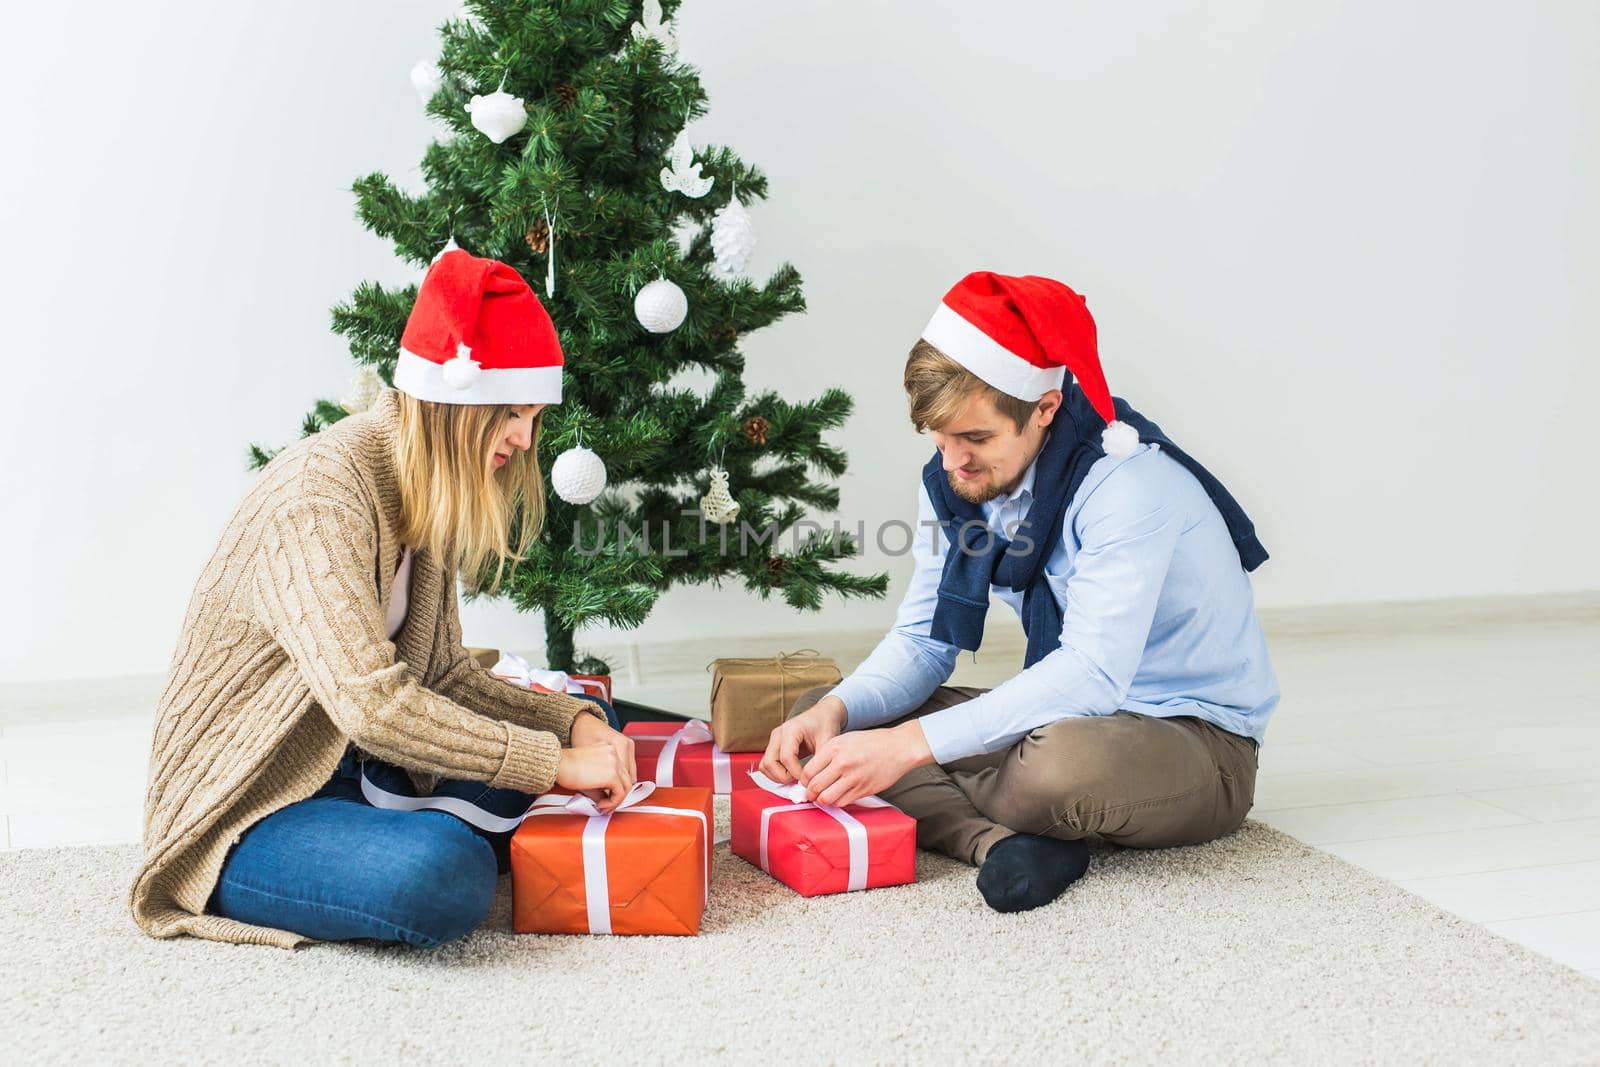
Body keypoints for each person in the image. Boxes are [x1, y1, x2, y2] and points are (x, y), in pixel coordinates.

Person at [130, 250, 636, 949]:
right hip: (251, 803)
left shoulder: (420, 487)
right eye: (512, 414)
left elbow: (446, 676)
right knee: (443, 872)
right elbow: (374, 703)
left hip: (357, 762)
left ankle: (424, 818)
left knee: (594, 723)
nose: (525, 440)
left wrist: (573, 721)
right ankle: (422, 834)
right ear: (453, 405)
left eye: (533, 417)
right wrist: (550, 763)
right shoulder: (322, 494)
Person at [760, 272, 1279, 913]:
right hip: (1066, 717)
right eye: (940, 438)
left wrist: (908, 747)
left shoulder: (1126, 486)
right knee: (826, 714)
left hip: (1193, 735)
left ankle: (992, 807)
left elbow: (1091, 674)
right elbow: (925, 640)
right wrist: (837, 716)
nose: (953, 464)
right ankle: (1003, 844)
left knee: (1052, 772)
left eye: (976, 439)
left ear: (1044, 410)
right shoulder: (957, 483)